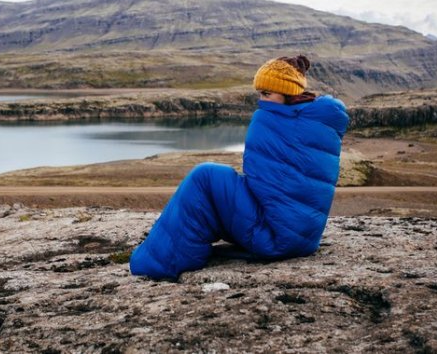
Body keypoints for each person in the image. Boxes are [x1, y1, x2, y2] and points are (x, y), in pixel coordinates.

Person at [129, 55, 349, 280]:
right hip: (302, 237)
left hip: (276, 237)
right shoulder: (318, 121)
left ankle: (158, 265)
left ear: (288, 92)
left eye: (266, 94)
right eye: (259, 94)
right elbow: (274, 184)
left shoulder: (272, 119)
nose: (261, 101)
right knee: (217, 181)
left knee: (204, 177)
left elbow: (265, 182)